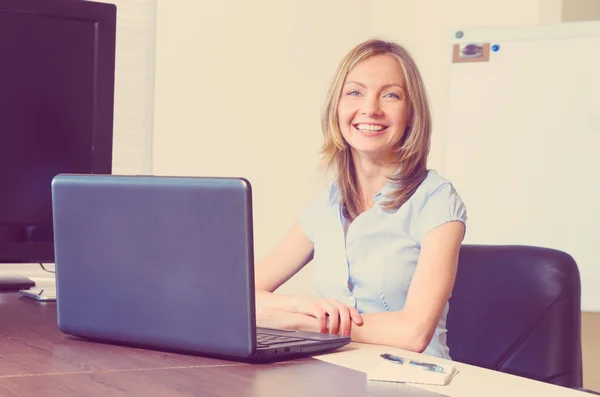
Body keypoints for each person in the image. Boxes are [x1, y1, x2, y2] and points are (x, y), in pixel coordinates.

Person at [254, 38, 467, 360]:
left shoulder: (437, 202)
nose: (370, 108)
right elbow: (239, 298)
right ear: (336, 108)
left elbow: (413, 332)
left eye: (391, 95)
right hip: (336, 375)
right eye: (355, 92)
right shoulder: (325, 205)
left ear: (411, 113)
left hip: (414, 378)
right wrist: (298, 306)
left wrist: (301, 324)